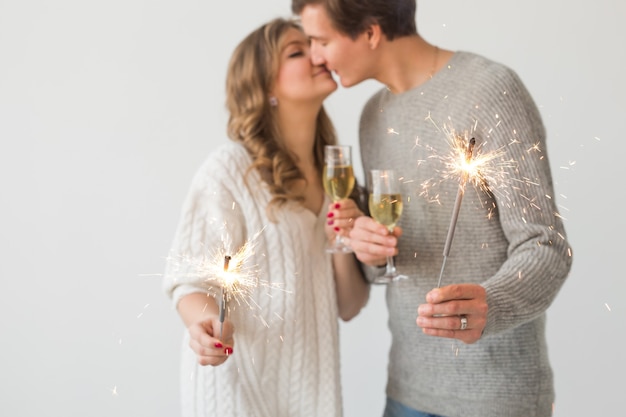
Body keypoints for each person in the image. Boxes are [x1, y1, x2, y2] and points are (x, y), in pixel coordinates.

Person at [291, 1, 573, 417]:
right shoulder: (374, 116)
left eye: (321, 40)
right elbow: (389, 261)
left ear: (370, 32)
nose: (315, 56)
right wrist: (369, 249)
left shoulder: (490, 90)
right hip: (407, 393)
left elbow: (546, 246)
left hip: (496, 399)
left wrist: (490, 304)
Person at [162, 17, 369, 417]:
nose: (316, 54)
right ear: (264, 86)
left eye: (314, 44)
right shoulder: (229, 170)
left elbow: (349, 305)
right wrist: (206, 328)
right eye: (296, 51)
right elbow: (188, 280)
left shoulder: (335, 177)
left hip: (311, 396)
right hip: (235, 394)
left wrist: (341, 239)